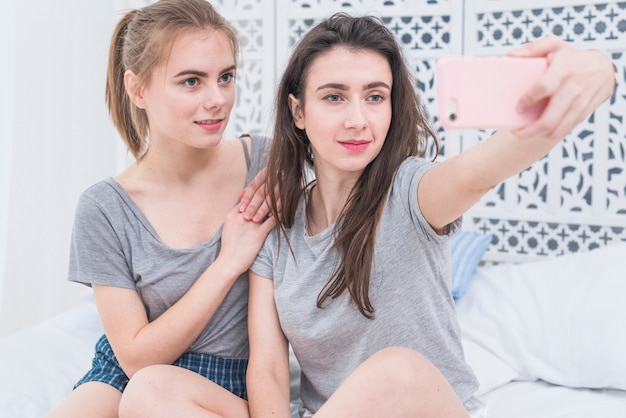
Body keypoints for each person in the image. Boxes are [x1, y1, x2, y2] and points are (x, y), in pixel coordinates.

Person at [246, 13, 615, 418]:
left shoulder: (412, 191)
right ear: (298, 112)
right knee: (167, 386)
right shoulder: (279, 228)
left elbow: (484, 170)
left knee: (396, 369)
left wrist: (599, 69)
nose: (358, 120)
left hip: (421, 408)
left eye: (375, 97)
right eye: (334, 97)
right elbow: (267, 369)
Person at [46, 1, 275, 417]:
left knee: (153, 397)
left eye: (225, 77)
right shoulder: (104, 208)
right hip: (129, 371)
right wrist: (228, 263)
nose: (217, 99)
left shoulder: (267, 167)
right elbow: (134, 357)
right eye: (191, 82)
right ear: (137, 90)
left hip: (224, 380)